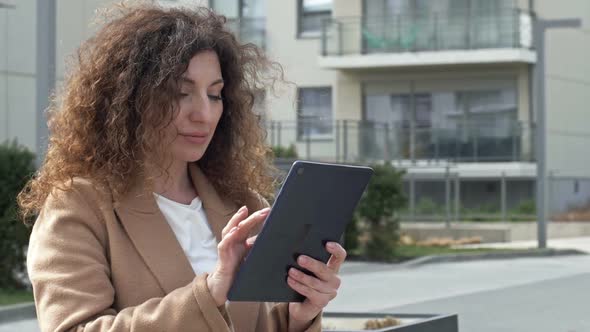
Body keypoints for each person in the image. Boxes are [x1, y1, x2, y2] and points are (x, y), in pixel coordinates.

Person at [17, 3, 346, 331]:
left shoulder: (243, 205)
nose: (203, 113)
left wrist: (299, 316)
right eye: (180, 93)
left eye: (215, 95)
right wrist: (209, 292)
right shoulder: (80, 205)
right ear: (131, 100)